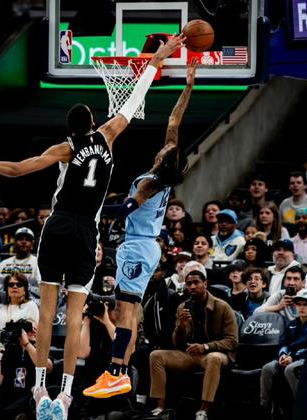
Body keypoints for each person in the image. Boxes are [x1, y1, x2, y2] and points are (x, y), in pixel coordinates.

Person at [0, 36, 184, 420]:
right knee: (76, 311)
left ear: (70, 130)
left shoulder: (65, 149)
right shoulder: (108, 136)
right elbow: (135, 97)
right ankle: (65, 394)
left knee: (47, 313)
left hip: (58, 225)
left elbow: (16, 169)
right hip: (86, 231)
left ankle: (39, 389)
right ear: (92, 123)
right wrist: (159, 57)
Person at [83, 57, 197, 399]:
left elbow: (127, 208)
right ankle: (120, 371)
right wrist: (188, 86)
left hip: (138, 245)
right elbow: (175, 121)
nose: (163, 146)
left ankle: (117, 371)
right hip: (145, 246)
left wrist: (93, 208)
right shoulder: (165, 169)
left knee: (125, 312)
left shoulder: (151, 182)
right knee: (128, 310)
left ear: (163, 160)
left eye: (164, 151)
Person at [148, 262, 238, 420]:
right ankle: (160, 406)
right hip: (190, 354)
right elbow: (177, 344)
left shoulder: (222, 307)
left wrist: (206, 347)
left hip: (215, 354)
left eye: (196, 282)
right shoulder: (183, 307)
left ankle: (204, 409)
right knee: (156, 355)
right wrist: (180, 327)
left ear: (205, 283)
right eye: (189, 284)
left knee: (213, 358)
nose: (192, 286)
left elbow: (232, 341)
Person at [259, 289, 307, 417]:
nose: (301, 307)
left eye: (305, 305)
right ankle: (265, 406)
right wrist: (283, 355)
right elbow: (283, 343)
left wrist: (293, 357)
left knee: (291, 369)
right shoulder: (292, 323)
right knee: (267, 368)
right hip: (290, 358)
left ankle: (301, 406)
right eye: (298, 304)